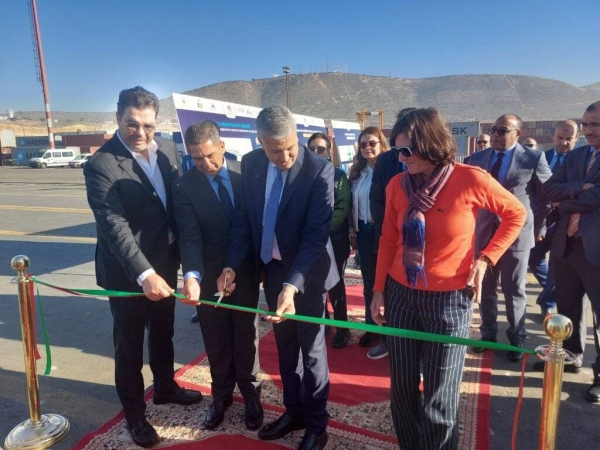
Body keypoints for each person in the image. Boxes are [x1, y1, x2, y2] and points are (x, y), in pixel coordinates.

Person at [371, 108, 526, 449]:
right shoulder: (397, 185)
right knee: (402, 391)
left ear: (431, 143)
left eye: (407, 150)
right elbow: (388, 240)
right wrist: (379, 290)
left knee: (439, 400)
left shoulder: (470, 179)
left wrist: (486, 258)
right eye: (397, 151)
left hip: (449, 302)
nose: (401, 158)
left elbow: (516, 213)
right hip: (400, 296)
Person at [84, 86, 202, 448]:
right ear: (117, 118)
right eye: (132, 124)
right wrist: (145, 274)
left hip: (165, 261)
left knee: (163, 332)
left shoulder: (166, 149)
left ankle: (165, 387)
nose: (141, 132)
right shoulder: (101, 164)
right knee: (130, 346)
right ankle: (135, 416)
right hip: (128, 272)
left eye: (148, 125)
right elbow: (113, 225)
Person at [218, 106, 336, 450]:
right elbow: (244, 220)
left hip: (307, 274)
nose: (284, 157)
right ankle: (294, 411)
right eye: (275, 150)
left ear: (297, 136)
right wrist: (231, 265)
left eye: (290, 148)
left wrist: (291, 286)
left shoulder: (320, 170)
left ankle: (317, 425)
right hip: (272, 270)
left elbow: (315, 237)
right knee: (286, 348)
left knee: (312, 352)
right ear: (259, 142)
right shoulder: (251, 164)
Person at [172, 121, 263, 431]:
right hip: (209, 275)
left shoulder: (245, 175)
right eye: (197, 158)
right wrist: (191, 276)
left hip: (245, 271)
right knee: (215, 338)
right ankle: (221, 396)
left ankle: (251, 394)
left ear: (222, 146)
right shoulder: (184, 187)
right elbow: (189, 236)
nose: (205, 164)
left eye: (210, 155)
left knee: (246, 335)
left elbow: (253, 226)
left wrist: (239, 267)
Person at [467, 114, 552, 361]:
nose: (495, 134)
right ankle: (488, 335)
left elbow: (547, 195)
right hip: (484, 234)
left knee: (514, 290)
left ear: (518, 134)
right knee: (485, 289)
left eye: (502, 131)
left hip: (517, 235)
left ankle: (516, 340)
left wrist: (539, 227)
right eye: (493, 130)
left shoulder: (534, 158)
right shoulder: (478, 158)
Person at [538, 101, 600, 402]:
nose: (589, 130)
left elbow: (597, 198)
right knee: (568, 307)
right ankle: (571, 355)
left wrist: (565, 202)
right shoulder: (576, 156)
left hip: (596, 249)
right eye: (586, 124)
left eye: (595, 124)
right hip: (567, 246)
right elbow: (547, 190)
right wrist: (579, 188)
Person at [367, 107, 413, 360]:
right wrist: (389, 230)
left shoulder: (439, 164)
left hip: (421, 245)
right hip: (389, 237)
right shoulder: (386, 160)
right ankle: (388, 340)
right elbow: (376, 199)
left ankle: (419, 349)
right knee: (388, 292)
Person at [528, 120, 579, 320]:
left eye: (568, 139)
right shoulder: (541, 158)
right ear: (552, 137)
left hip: (565, 222)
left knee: (557, 266)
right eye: (560, 138)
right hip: (540, 221)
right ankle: (551, 291)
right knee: (533, 259)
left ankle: (548, 304)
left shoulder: (581, 162)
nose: (564, 142)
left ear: (576, 138)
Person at [307, 132, 351, 349]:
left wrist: (318, 229)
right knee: (316, 283)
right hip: (312, 240)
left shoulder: (339, 176)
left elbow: (341, 210)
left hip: (335, 239)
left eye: (321, 149)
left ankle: (343, 329)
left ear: (329, 151)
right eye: (312, 149)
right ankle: (323, 324)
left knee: (335, 284)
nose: (316, 152)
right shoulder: (303, 176)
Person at [349, 126, 389, 351]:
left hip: (385, 233)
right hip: (364, 231)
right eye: (363, 144)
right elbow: (351, 205)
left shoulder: (391, 170)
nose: (367, 147)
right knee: (369, 282)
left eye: (372, 143)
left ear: (382, 144)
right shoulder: (357, 173)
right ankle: (371, 327)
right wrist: (352, 231)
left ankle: (390, 329)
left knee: (388, 283)